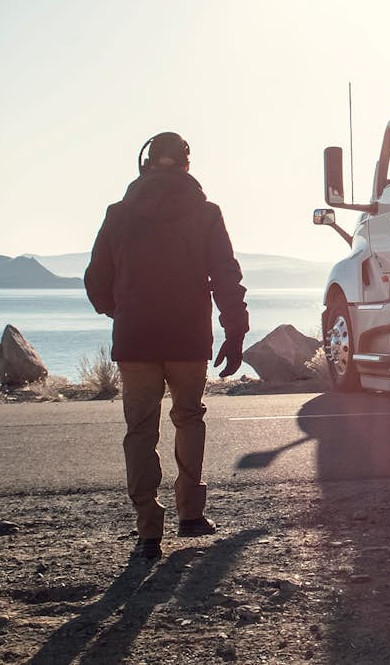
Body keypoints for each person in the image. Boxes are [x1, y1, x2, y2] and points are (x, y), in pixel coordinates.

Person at [85, 131, 249, 560]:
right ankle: (191, 515)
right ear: (187, 165)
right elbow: (227, 277)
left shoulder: (118, 214)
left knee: (140, 430)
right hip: (188, 338)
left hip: (135, 338)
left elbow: (95, 280)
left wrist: (119, 310)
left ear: (146, 163)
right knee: (189, 418)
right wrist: (235, 331)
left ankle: (147, 534)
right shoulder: (206, 213)